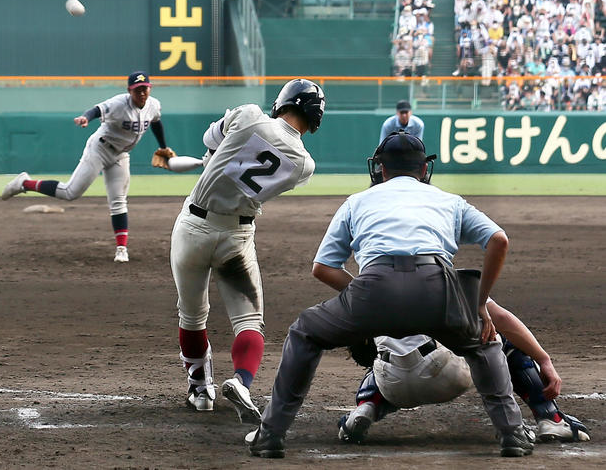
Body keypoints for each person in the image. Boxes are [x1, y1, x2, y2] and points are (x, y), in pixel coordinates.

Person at [247, 132, 534, 458]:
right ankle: (512, 435)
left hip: (373, 287)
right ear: (424, 169)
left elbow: (323, 268)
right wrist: (479, 303)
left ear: (380, 169)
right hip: (437, 288)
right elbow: (499, 240)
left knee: (305, 332)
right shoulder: (449, 201)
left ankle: (271, 435)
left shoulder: (357, 201)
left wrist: (363, 298)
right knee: (484, 343)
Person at [171, 78, 323, 423]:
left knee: (192, 315)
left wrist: (215, 157)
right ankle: (241, 381)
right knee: (249, 320)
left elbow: (210, 143)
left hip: (193, 227)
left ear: (282, 101)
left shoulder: (250, 114)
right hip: (236, 235)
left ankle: (200, 390)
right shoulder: (304, 164)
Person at [337, 300, 589, 444]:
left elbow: (358, 345)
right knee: (500, 336)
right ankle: (550, 419)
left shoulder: (372, 281)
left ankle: (365, 406)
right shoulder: (445, 272)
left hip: (392, 385)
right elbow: (503, 318)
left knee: (384, 357)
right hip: (443, 373)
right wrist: (544, 359)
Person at [1, 72, 168, 263]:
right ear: (129, 91)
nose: (142, 93)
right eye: (137, 90)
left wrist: (163, 146)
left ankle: (121, 249)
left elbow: (156, 122)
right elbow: (97, 110)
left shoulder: (153, 105)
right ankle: (24, 183)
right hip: (100, 148)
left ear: (150, 88)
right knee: (70, 192)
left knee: (119, 201)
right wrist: (86, 118)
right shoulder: (119, 103)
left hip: (121, 154)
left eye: (144, 88)